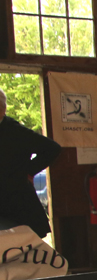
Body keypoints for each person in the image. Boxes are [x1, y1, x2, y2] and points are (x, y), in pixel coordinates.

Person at [0, 88, 62, 239]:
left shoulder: (15, 131)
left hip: (16, 198)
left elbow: (52, 148)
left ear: (2, 109)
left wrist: (29, 171)